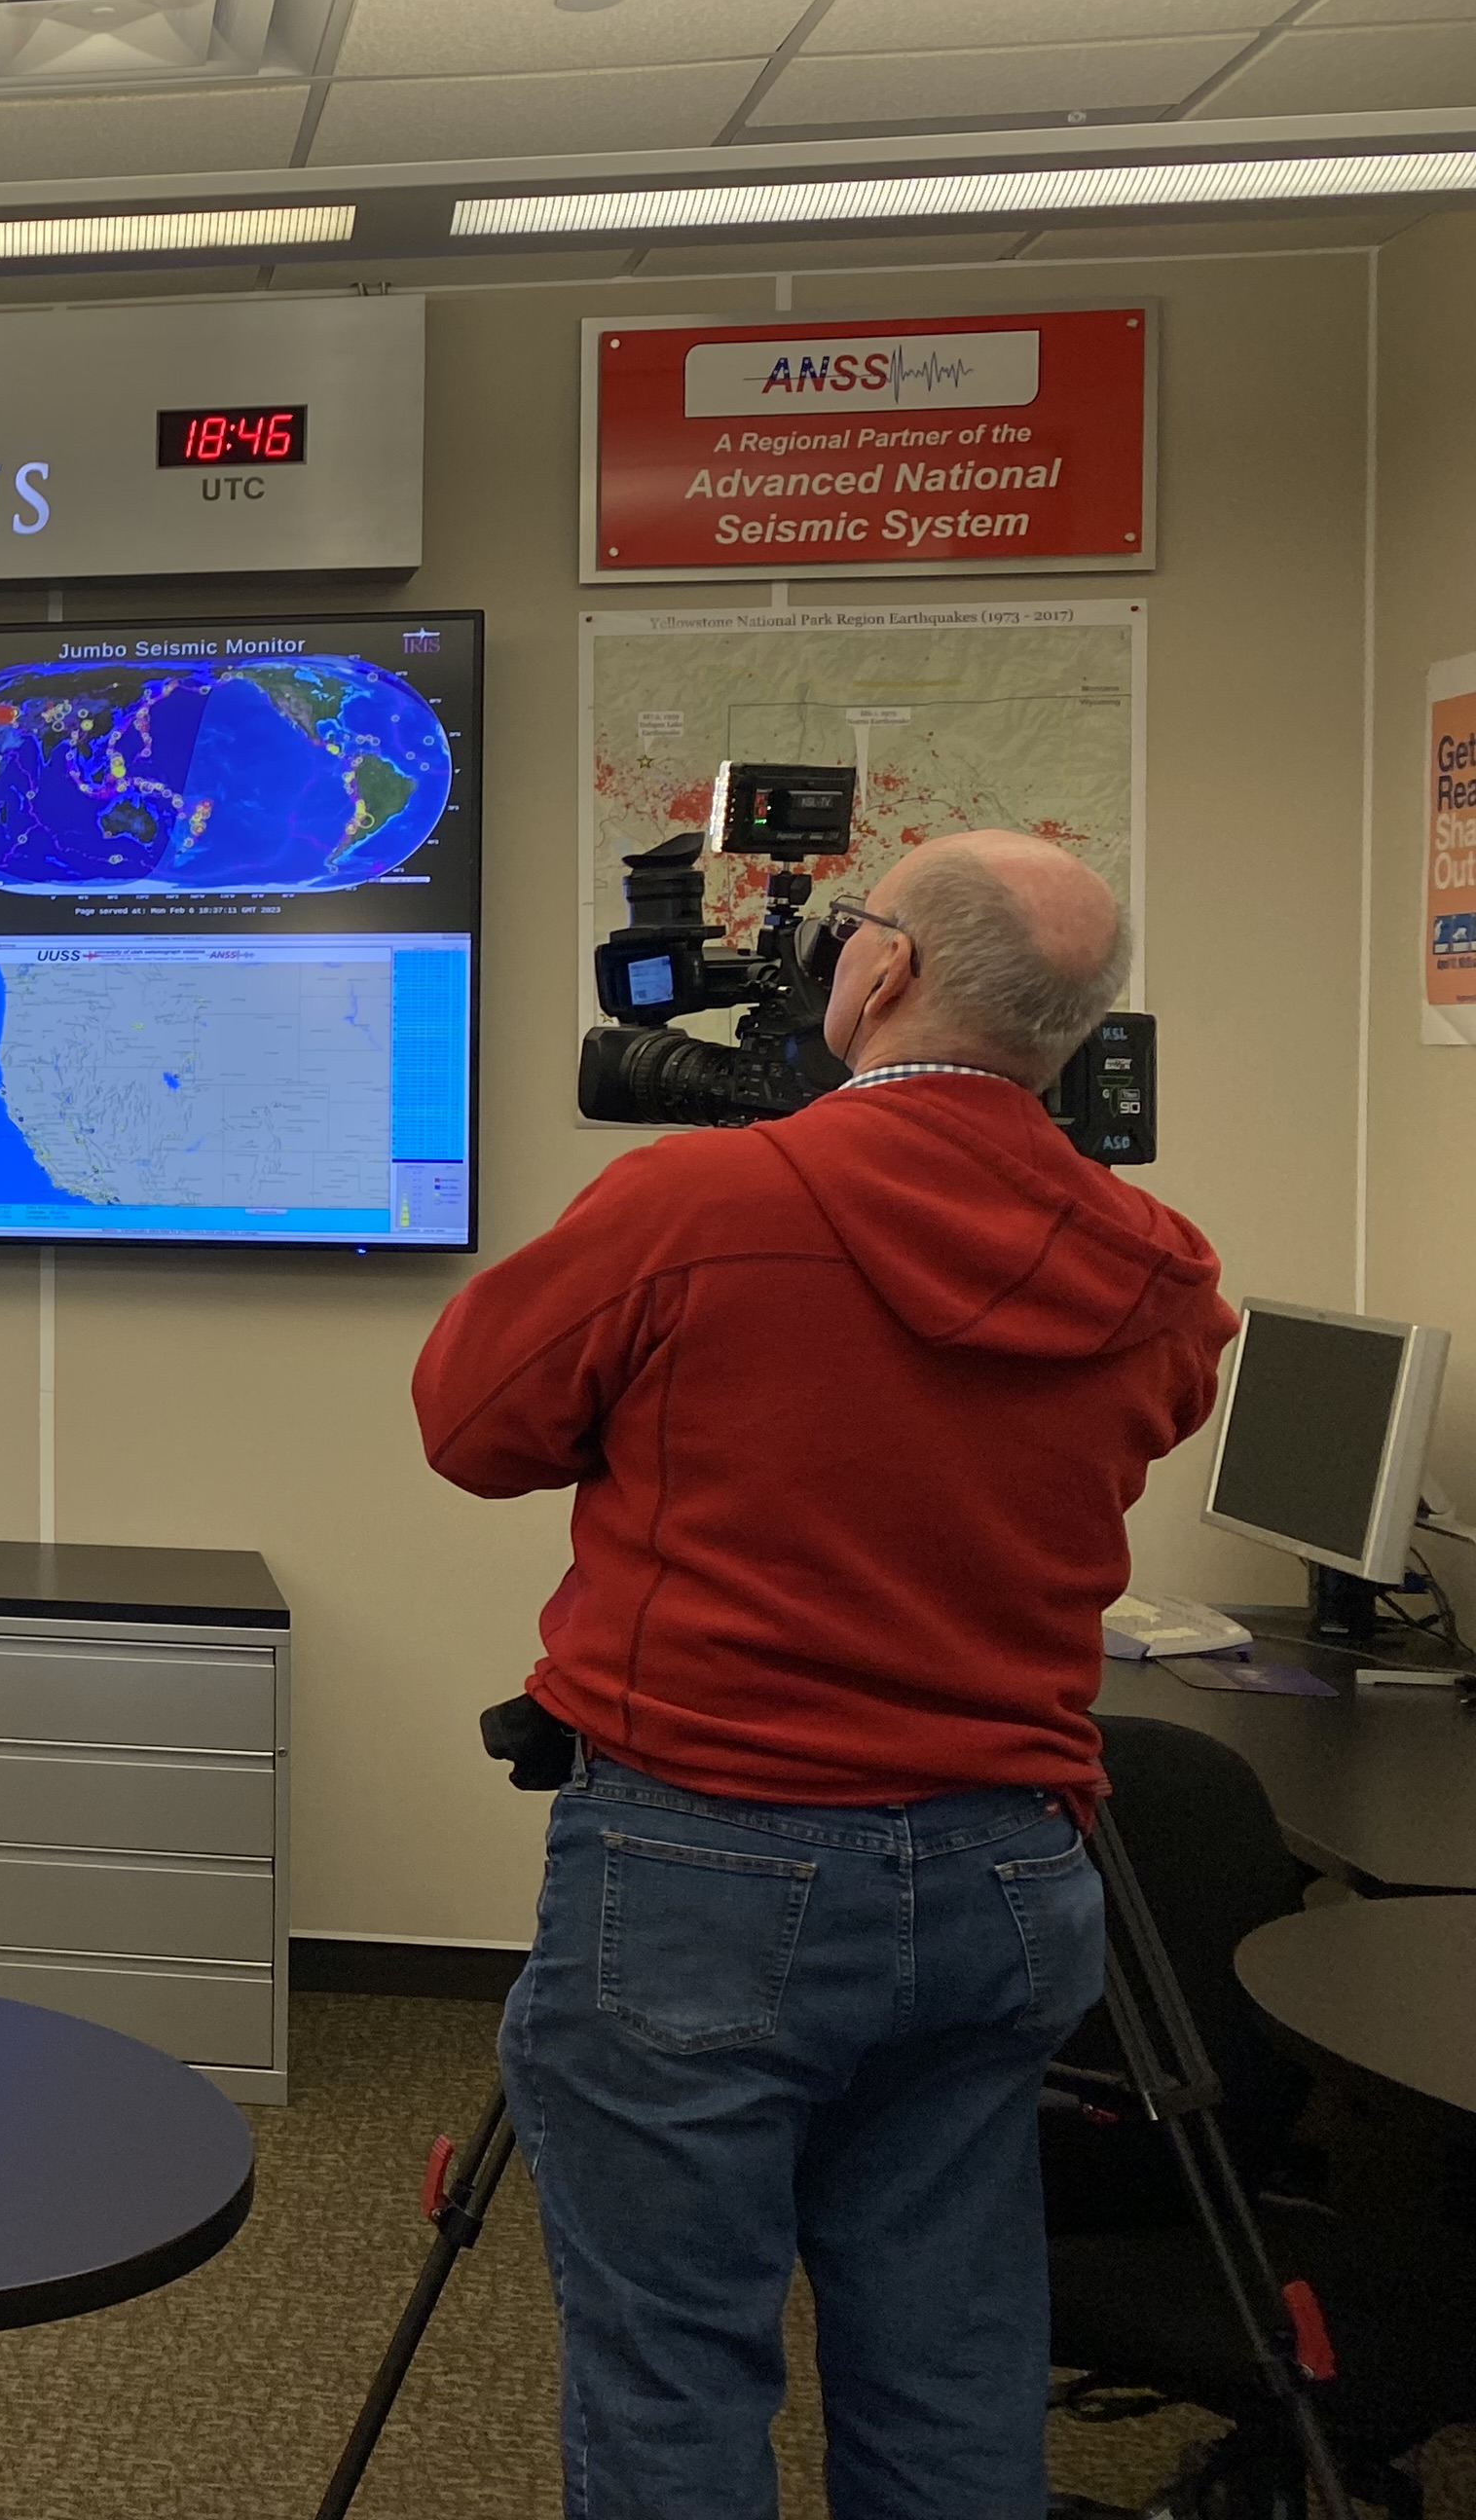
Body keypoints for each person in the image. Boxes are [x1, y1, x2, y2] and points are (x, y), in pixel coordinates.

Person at [411, 829, 1236, 2520]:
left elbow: (470, 1422)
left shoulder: (697, 1200)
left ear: (875, 975)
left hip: (705, 1864)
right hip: (1010, 1870)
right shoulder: (1154, 1263)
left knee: (674, 2373)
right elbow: (1105, 1438)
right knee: (950, 2359)